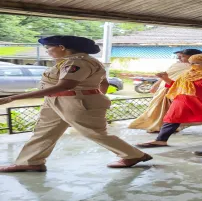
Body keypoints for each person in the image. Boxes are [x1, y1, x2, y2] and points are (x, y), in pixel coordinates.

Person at [0, 36, 152, 172]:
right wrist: (95, 96)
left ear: (62, 47)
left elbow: (64, 86)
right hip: (58, 101)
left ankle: (133, 155)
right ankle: (30, 162)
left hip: (74, 102)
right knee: (44, 132)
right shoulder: (72, 62)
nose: (47, 51)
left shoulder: (77, 62)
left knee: (94, 132)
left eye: (49, 48)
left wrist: (13, 98)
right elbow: (103, 84)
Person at [128, 49, 202, 133]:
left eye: (182, 57)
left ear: (192, 57)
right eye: (178, 57)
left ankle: (164, 131)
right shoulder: (176, 65)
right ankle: (160, 127)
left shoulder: (198, 68)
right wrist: (155, 85)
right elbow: (166, 76)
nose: (179, 59)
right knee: (160, 109)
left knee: (173, 111)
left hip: (179, 90)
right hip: (165, 88)